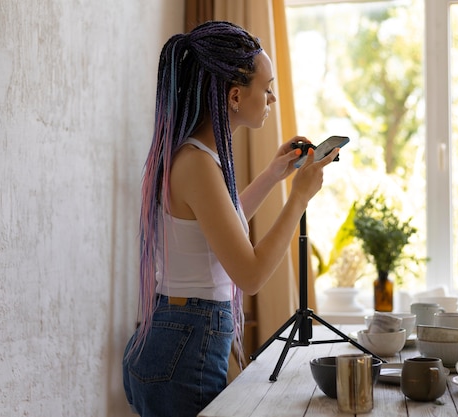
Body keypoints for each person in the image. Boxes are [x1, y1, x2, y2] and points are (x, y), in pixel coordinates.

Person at [122, 21, 340, 417]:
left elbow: (217, 230)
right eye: (267, 87)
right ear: (236, 96)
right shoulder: (197, 164)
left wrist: (274, 175)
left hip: (172, 337)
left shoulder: (192, 156)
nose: (271, 98)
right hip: (185, 344)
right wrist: (299, 198)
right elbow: (251, 275)